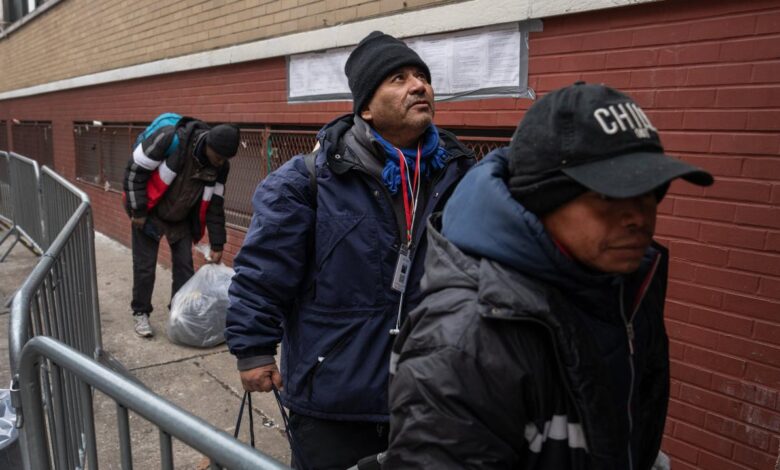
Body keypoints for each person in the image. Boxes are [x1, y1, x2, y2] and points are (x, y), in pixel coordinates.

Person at [384, 82, 714, 469]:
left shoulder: (626, 290)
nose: (638, 217)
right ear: (542, 199)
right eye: (611, 196)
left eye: (651, 192)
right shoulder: (465, 344)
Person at [225, 31, 475, 469]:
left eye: (422, 76)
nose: (419, 86)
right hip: (334, 399)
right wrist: (254, 348)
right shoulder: (307, 182)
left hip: (433, 395)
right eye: (398, 78)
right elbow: (262, 271)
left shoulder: (460, 176)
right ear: (365, 108)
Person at [123, 116, 240, 338]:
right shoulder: (171, 140)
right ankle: (141, 312)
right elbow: (134, 171)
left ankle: (178, 313)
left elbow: (216, 204)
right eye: (218, 157)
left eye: (225, 159)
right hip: (150, 212)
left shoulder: (221, 165)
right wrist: (137, 210)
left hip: (182, 218)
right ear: (208, 145)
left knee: (185, 269)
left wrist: (217, 243)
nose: (219, 163)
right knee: (145, 267)